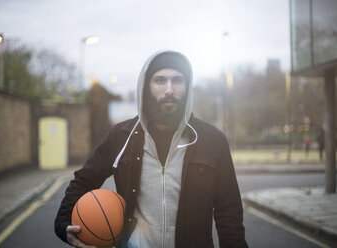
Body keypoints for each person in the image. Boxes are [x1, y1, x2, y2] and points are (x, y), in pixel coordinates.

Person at [54, 50, 248, 248]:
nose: (169, 89)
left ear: (187, 87)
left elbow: (229, 211)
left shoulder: (212, 140)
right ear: (146, 87)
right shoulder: (122, 136)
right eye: (160, 81)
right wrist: (63, 224)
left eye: (178, 80)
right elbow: (84, 180)